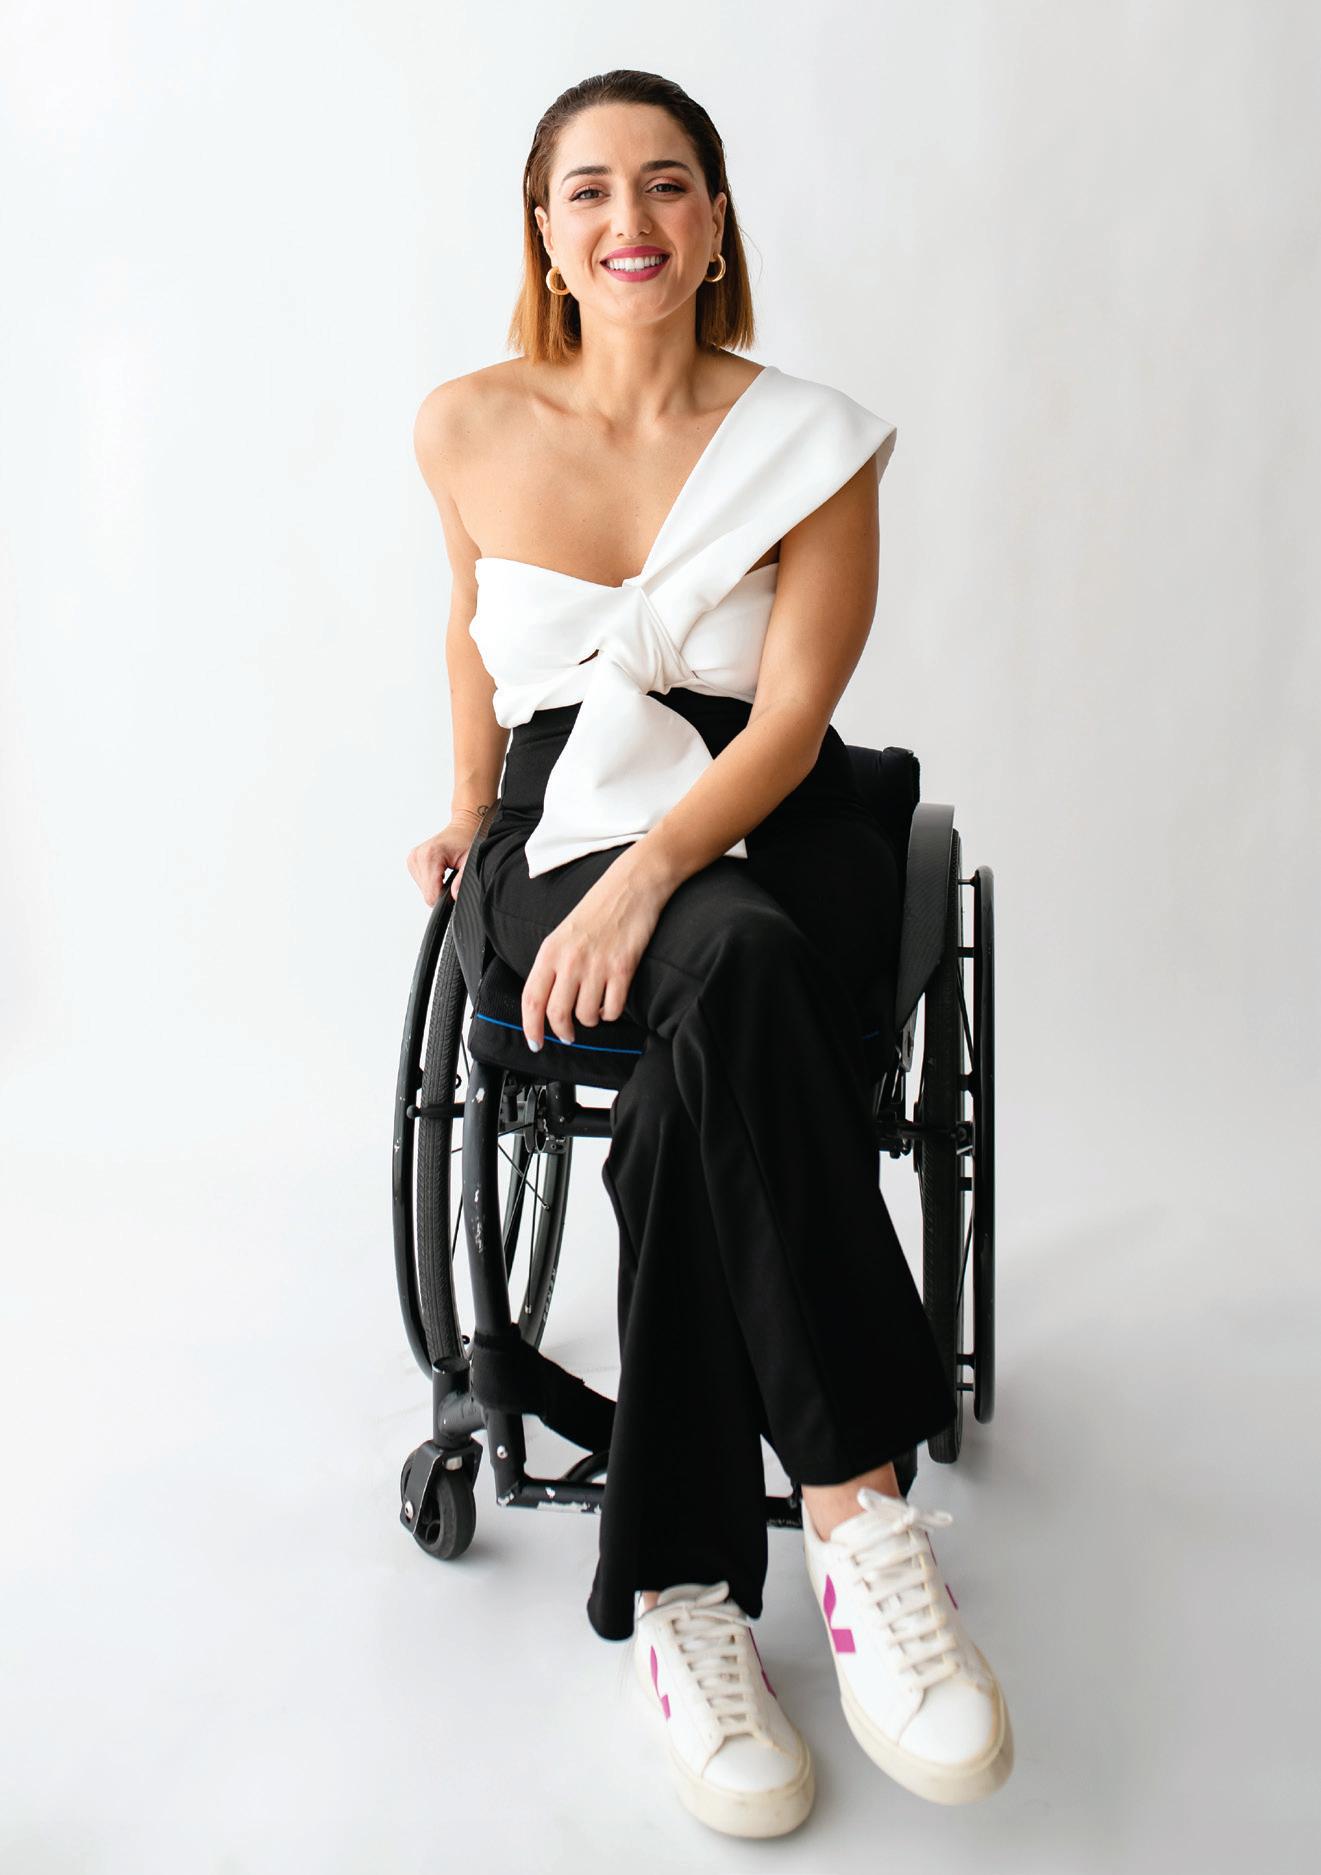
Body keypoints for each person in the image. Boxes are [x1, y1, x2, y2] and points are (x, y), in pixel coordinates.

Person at [406, 69, 1013, 1839]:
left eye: (667, 184)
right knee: (732, 983)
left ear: (716, 217)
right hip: (557, 815)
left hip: (767, 808)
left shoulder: (811, 441)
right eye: (590, 190)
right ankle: (858, 1503)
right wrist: (469, 810)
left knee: (716, 1004)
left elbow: (795, 714)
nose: (632, 220)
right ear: (545, 233)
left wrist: (653, 872)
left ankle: (683, 1595)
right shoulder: (463, 425)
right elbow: (469, 634)